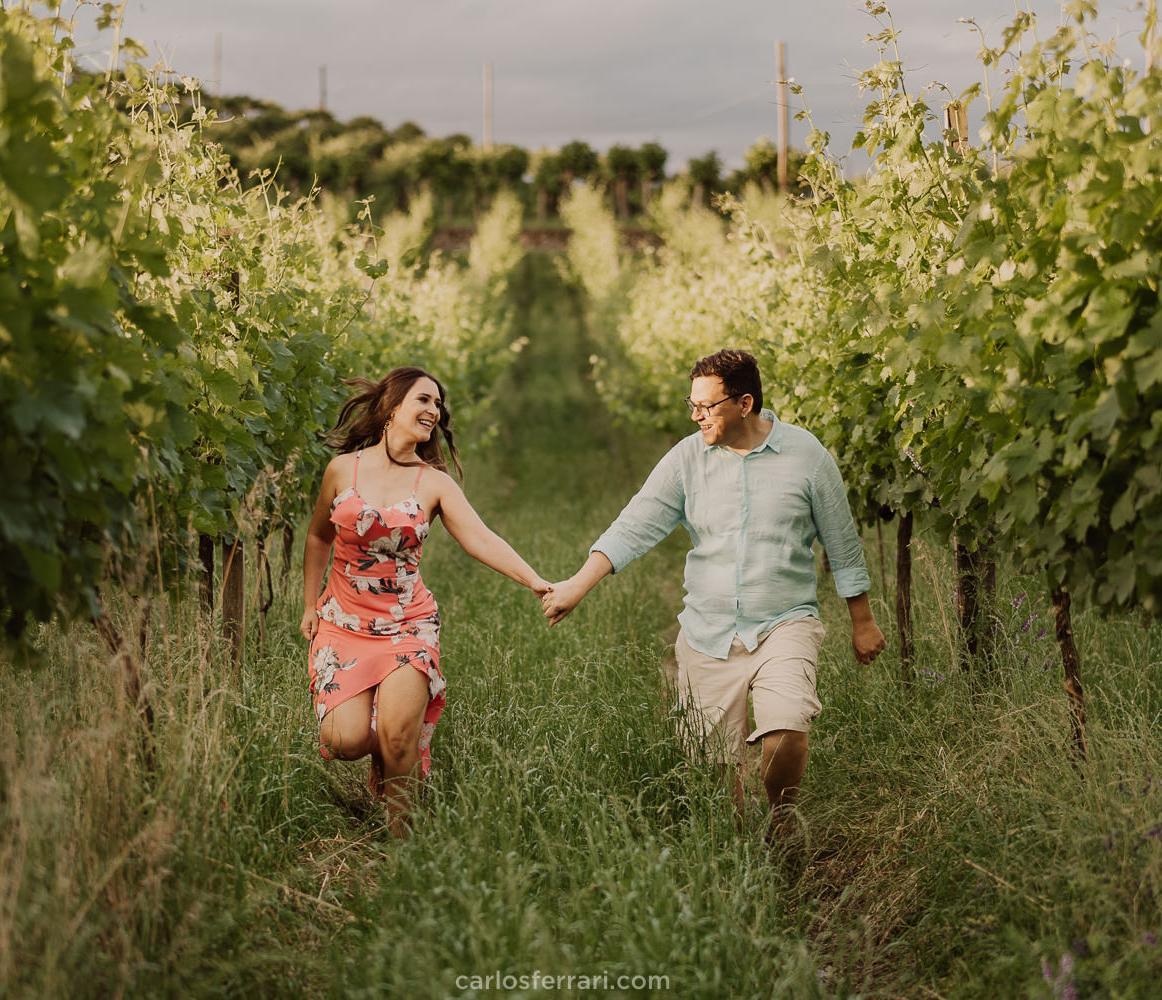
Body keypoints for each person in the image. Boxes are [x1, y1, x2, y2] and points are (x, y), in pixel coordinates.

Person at [541, 348, 885, 842]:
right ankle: (744, 851)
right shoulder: (687, 458)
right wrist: (579, 583)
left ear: (745, 404)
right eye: (692, 405)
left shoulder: (807, 456)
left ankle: (782, 819)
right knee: (718, 782)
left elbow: (842, 540)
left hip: (784, 621)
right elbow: (635, 525)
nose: (697, 416)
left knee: (786, 728)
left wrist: (863, 619)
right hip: (708, 628)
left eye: (707, 406)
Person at [301, 366, 551, 836]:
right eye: (424, 400)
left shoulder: (433, 483)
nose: (434, 411)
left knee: (398, 737)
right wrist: (309, 605)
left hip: (407, 625)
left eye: (438, 404)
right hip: (343, 624)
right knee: (345, 739)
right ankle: (384, 753)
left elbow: (479, 537)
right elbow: (318, 538)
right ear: (392, 407)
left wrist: (534, 580)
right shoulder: (342, 471)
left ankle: (403, 844)